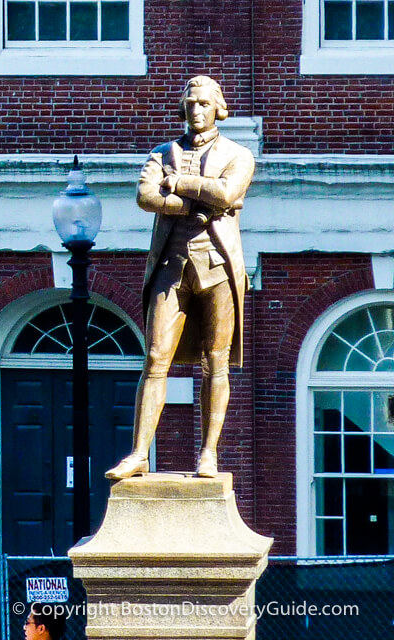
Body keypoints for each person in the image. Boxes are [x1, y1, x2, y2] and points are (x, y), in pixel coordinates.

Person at [105, 75, 255, 480]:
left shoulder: (238, 154)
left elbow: (227, 195)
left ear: (218, 108)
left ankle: (209, 453)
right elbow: (145, 197)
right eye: (190, 103)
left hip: (218, 268)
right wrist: (196, 200)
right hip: (170, 268)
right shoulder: (162, 151)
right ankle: (139, 453)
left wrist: (180, 183)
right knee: (155, 359)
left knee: (215, 362)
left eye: (204, 103)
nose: (196, 110)